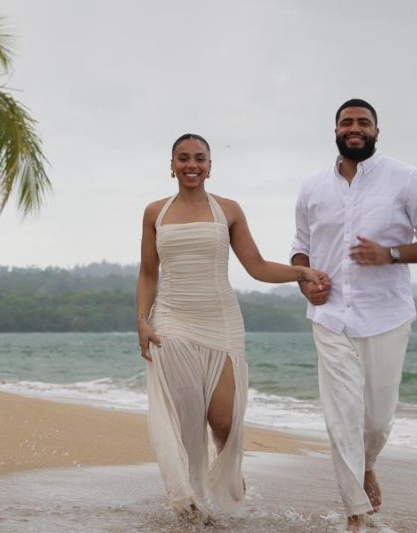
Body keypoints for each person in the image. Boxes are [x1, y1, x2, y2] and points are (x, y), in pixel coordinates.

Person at [137, 133, 329, 522]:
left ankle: (226, 485)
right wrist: (141, 320)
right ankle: (189, 503)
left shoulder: (228, 210)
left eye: (200, 158)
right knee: (187, 420)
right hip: (171, 321)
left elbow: (256, 266)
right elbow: (147, 272)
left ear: (210, 165)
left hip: (221, 322)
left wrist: (300, 271)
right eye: (184, 158)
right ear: (171, 164)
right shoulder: (155, 212)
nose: (192, 165)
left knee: (224, 421)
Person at [290, 99, 417, 532]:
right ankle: (355, 515)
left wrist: (391, 254)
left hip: (386, 316)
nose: (355, 128)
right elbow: (300, 246)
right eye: (347, 122)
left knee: (376, 421)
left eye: (364, 122)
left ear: (377, 132)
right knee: (341, 415)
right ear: (336, 131)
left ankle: (367, 466)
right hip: (328, 317)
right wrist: (304, 279)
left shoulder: (406, 179)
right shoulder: (311, 186)